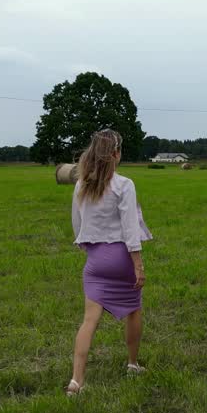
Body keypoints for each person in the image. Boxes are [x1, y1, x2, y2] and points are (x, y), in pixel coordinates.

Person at [66, 129, 152, 395]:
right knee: (134, 310)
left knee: (89, 320)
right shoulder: (124, 184)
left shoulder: (82, 183)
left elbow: (76, 223)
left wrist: (90, 251)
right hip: (121, 257)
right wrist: (137, 264)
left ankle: (76, 380)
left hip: (95, 258)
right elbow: (131, 228)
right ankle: (132, 363)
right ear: (116, 154)